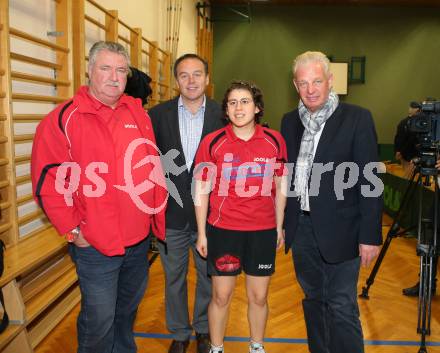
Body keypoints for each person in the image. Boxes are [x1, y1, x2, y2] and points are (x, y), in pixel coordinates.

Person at [31, 41, 167, 353]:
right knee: (99, 320)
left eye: (121, 70)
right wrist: (74, 231)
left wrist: (153, 221)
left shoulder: (137, 114)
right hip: (95, 245)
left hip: (137, 242)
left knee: (125, 314)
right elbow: (49, 182)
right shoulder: (63, 119)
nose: (114, 77)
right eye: (105, 68)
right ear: (89, 70)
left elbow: (150, 168)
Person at [280, 51, 383, 353]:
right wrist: (283, 224)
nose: (310, 89)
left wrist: (370, 236)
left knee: (341, 304)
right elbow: (285, 178)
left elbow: (370, 181)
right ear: (295, 85)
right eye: (303, 83)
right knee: (314, 301)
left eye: (316, 81)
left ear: (330, 81)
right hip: (302, 230)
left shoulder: (357, 118)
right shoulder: (289, 122)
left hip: (344, 230)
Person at [194, 80, 287, 353]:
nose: (238, 107)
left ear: (257, 108)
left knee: (258, 296)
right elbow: (201, 188)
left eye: (245, 101)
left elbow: (281, 187)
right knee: (221, 296)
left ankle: (256, 346)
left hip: (262, 230)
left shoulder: (274, 141)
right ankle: (216, 347)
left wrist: (279, 227)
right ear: (226, 109)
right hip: (223, 230)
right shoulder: (213, 142)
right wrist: (202, 232)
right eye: (232, 102)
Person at [148, 53, 223, 353]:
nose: (191, 80)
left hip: (212, 216)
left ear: (207, 78)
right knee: (173, 278)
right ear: (176, 80)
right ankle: (180, 333)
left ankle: (204, 329)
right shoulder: (157, 115)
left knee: (208, 278)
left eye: (197, 74)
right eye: (184, 75)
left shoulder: (224, 113)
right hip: (172, 214)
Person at [393, 101, 421, 175]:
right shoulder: (404, 123)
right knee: (409, 175)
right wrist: (399, 151)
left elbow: (397, 138)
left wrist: (398, 151)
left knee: (409, 175)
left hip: (411, 154)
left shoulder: (403, 122)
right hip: (409, 154)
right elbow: (399, 138)